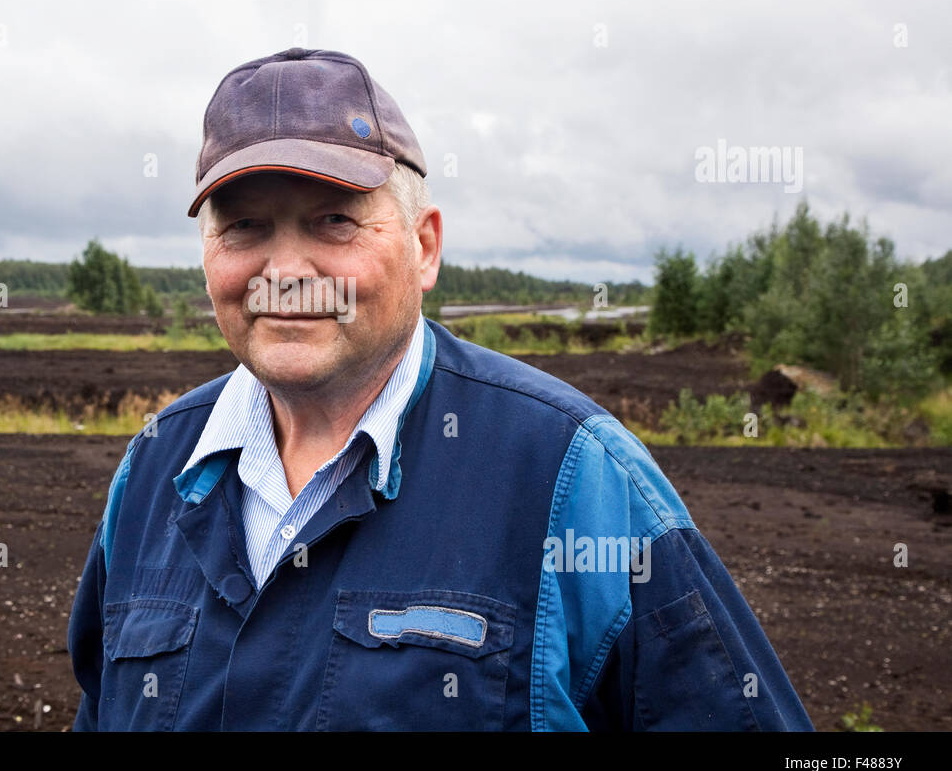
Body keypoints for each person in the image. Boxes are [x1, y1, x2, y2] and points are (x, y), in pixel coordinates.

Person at [66, 47, 814, 731]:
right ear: (206, 254)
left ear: (424, 246)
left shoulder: (573, 476)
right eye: (244, 228)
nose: (285, 272)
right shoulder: (155, 471)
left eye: (334, 221)